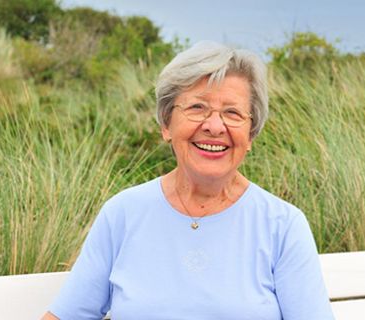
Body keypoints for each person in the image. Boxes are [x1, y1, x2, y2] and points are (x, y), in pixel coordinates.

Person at [42, 41, 334, 320]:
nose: (214, 126)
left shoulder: (282, 225)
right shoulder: (123, 214)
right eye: (197, 108)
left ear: (251, 135)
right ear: (166, 124)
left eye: (232, 113)